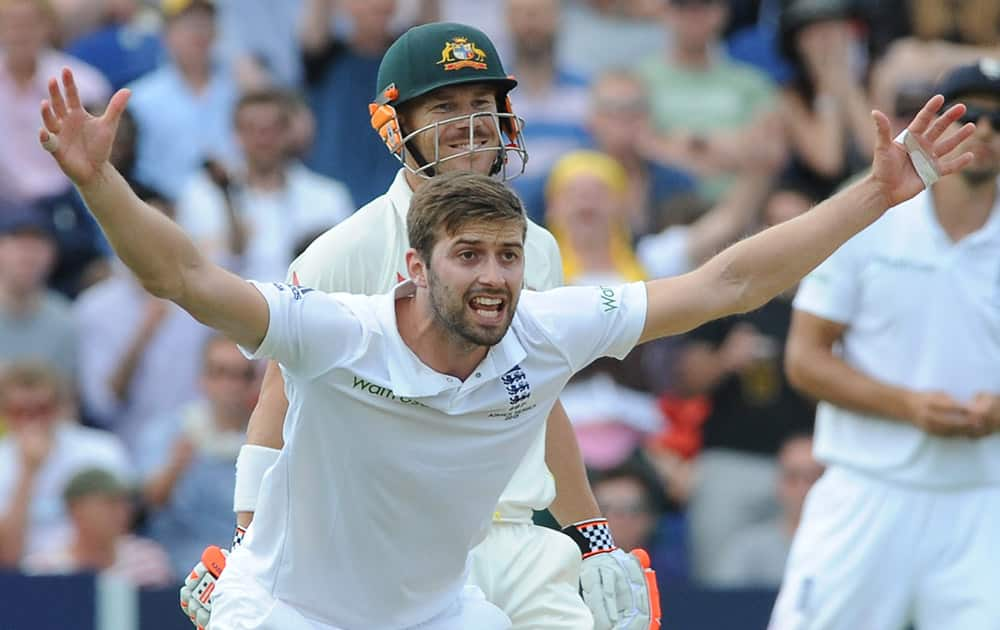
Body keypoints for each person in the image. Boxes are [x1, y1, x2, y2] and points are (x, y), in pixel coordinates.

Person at [38, 55, 971, 630]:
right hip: (292, 609)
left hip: (446, 606)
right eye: (468, 256)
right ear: (412, 267)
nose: (492, 276)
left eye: (507, 257)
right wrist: (99, 184)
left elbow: (728, 282)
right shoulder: (338, 325)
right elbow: (186, 280)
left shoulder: (540, 326)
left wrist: (875, 193)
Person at [188, 22, 655, 630]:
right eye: (445, 106)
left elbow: (537, 392)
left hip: (515, 531)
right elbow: (279, 398)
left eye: (482, 104)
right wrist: (247, 550)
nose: (469, 123)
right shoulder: (343, 251)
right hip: (389, 548)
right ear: (393, 125)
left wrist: (591, 535)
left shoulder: (532, 248)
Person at [769, 59, 1000, 630]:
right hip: (865, 488)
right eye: (971, 116)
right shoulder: (868, 211)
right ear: (933, 119)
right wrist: (910, 406)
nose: (989, 131)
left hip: (986, 498)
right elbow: (804, 359)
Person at [0, 360, 132, 567]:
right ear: (5, 413)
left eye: (42, 410)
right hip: (20, 581)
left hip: (95, 567)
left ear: (62, 407)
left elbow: (119, 527)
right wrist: (28, 472)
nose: (32, 421)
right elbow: (7, 554)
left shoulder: (102, 450)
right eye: (20, 411)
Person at [21, 466, 174, 588]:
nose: (122, 511)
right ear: (75, 509)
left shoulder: (148, 560)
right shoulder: (43, 570)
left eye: (125, 502)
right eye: (109, 503)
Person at [714, 432, 823, 588]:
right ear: (778, 483)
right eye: (792, 477)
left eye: (814, 477)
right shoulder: (746, 548)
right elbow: (721, 606)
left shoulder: (847, 547)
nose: (803, 489)